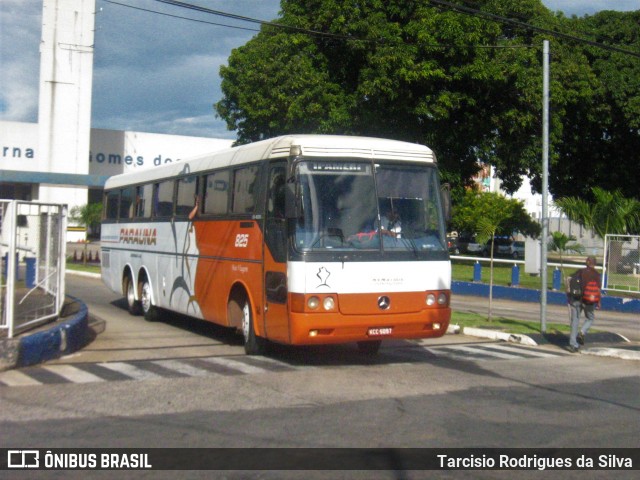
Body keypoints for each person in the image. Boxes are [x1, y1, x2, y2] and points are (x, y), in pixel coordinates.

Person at [566, 256, 601, 353]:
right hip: (588, 301)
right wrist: (598, 302)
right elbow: (598, 290)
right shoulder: (596, 275)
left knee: (575, 321)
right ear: (595, 264)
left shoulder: (580, 272)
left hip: (576, 299)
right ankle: (582, 332)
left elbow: (570, 281)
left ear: (587, 262)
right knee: (590, 318)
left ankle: (573, 345)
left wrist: (569, 296)